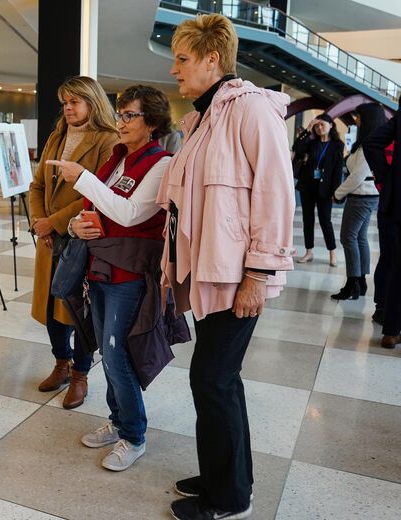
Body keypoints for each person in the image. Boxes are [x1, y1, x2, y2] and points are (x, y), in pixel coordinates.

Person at [158, 14, 295, 520]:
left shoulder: (251, 110)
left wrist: (259, 274)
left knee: (212, 380)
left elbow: (276, 195)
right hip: (209, 272)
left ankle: (231, 497)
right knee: (220, 379)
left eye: (182, 58)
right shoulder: (201, 118)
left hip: (238, 275)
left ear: (212, 58)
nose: (174, 68)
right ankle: (224, 475)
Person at [47, 85, 181, 471]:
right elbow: (95, 209)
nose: (120, 122)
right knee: (108, 352)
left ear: (151, 122)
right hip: (100, 268)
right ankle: (119, 421)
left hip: (129, 274)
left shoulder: (161, 164)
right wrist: (74, 224)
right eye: (120, 114)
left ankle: (134, 435)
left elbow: (129, 213)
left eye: (129, 115)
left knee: (118, 354)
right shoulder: (117, 159)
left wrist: (82, 177)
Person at [29, 75, 119, 409]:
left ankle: (80, 375)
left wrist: (52, 223)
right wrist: (41, 224)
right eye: (64, 102)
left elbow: (97, 194)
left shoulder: (108, 140)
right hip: (50, 240)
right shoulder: (57, 135)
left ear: (92, 102)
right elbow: (37, 185)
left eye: (74, 101)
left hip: (82, 238)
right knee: (52, 307)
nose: (67, 108)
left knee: (79, 310)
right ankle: (60, 363)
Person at [331, 103, 387, 300]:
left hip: (361, 196)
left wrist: (338, 193)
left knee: (348, 237)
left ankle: (352, 283)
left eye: (359, 117)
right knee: (359, 237)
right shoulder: (369, 143)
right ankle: (360, 281)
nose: (356, 120)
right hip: (366, 195)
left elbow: (357, 177)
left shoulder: (368, 146)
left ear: (368, 119)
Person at [363, 103, 401, 349]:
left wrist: (387, 176)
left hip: (397, 200)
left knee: (398, 266)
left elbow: (371, 142)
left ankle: (390, 330)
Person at [292, 113, 345, 266]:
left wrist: (335, 191)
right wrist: (308, 130)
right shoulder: (312, 143)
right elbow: (297, 148)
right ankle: (309, 252)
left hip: (325, 189)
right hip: (307, 186)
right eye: (317, 125)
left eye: (322, 124)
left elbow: (337, 170)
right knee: (307, 220)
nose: (319, 128)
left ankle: (332, 253)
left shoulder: (337, 145)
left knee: (325, 221)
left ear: (331, 125)